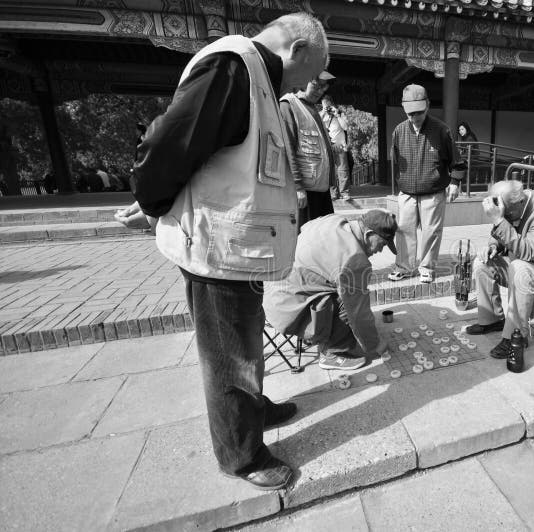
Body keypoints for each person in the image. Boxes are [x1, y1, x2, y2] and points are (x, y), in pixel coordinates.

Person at [116, 13, 329, 491]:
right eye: (310, 71)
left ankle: (253, 409)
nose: (307, 84)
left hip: (239, 251)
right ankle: (242, 454)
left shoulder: (258, 79)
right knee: (228, 356)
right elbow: (169, 143)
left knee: (245, 342)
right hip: (216, 249)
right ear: (296, 50)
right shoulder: (233, 68)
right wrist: (153, 205)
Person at [263, 210, 393, 371]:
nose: (380, 251)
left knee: (340, 290)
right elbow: (357, 312)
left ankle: (315, 333)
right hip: (289, 311)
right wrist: (375, 343)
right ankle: (333, 354)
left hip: (271, 295)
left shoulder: (334, 220)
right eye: (382, 244)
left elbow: (304, 228)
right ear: (369, 234)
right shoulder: (354, 259)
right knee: (347, 304)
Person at [465, 180, 534, 359]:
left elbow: (528, 252)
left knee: (519, 267)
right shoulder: (513, 204)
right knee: (482, 263)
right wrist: (493, 247)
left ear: (520, 203)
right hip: (522, 268)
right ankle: (492, 320)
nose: (505, 217)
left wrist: (499, 219)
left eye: (506, 214)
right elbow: (501, 233)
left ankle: (515, 336)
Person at [388, 84, 464, 284]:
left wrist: (455, 182)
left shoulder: (441, 130)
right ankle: (404, 266)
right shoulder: (399, 131)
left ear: (428, 106)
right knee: (404, 230)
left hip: (433, 191)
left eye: (419, 112)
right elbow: (395, 160)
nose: (414, 117)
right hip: (407, 192)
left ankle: (427, 267)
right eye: (410, 113)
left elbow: (457, 161)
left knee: (431, 231)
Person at [280, 71, 337, 227]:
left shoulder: (312, 108)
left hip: (319, 188)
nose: (319, 92)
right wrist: (298, 187)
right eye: (316, 86)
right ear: (304, 80)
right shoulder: (289, 105)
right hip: (305, 190)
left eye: (323, 89)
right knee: (305, 241)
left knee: (323, 237)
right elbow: (288, 148)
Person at [320, 94, 350, 200]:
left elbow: (345, 127)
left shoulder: (340, 113)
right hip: (327, 147)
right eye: (324, 105)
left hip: (340, 146)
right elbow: (316, 125)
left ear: (332, 104)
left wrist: (337, 115)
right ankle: (333, 193)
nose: (327, 108)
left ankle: (344, 193)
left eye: (328, 105)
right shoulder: (321, 115)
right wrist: (323, 112)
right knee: (330, 171)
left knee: (343, 170)